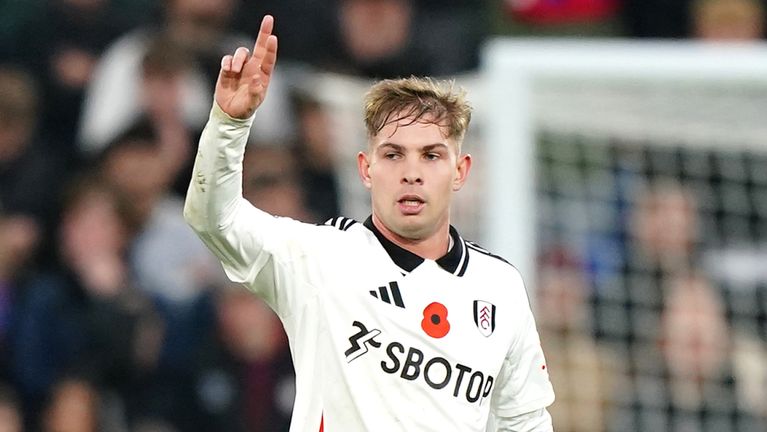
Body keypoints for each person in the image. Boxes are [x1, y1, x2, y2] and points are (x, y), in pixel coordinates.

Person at [184, 15, 555, 431]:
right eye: (394, 155)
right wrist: (229, 125)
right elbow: (214, 218)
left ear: (460, 171)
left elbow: (525, 420)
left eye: (431, 156)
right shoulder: (319, 258)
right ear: (365, 168)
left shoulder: (500, 286)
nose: (411, 173)